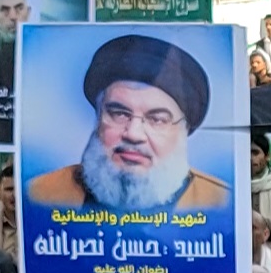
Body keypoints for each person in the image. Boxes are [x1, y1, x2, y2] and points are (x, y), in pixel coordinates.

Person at [24, 34, 229, 214]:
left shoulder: (221, 202)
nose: (133, 134)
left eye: (157, 119)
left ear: (184, 130)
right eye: (119, 114)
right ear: (98, 117)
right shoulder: (41, 194)